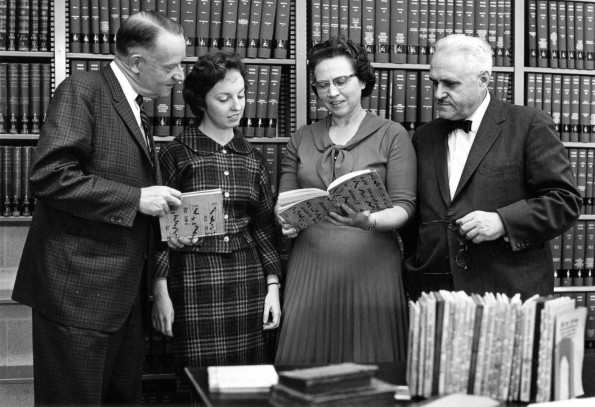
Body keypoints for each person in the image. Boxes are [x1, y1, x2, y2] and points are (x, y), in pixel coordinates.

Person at [11, 11, 186, 404]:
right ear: (137, 62)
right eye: (172, 66)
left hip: (120, 298)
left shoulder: (134, 104)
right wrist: (136, 199)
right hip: (77, 296)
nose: (179, 77)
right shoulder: (83, 90)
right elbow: (50, 175)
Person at [401, 34, 581, 301]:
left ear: (483, 80)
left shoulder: (529, 124)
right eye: (434, 83)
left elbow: (565, 202)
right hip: (436, 294)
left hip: (509, 293)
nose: (438, 93)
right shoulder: (423, 136)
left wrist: (503, 221)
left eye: (450, 83)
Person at [274, 36, 416, 364]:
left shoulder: (393, 134)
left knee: (372, 369)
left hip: (373, 265)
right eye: (322, 85)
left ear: (363, 80)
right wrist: (285, 219)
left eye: (341, 81)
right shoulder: (302, 137)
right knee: (304, 366)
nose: (332, 92)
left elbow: (404, 207)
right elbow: (285, 200)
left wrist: (370, 221)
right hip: (310, 265)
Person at [150, 51, 282, 373]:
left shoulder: (253, 157)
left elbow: (264, 229)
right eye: (224, 98)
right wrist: (159, 292)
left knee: (248, 386)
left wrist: (274, 289)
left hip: (248, 284)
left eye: (240, 96)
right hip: (194, 284)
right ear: (202, 102)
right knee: (197, 383)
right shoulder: (175, 154)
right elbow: (157, 233)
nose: (236, 106)